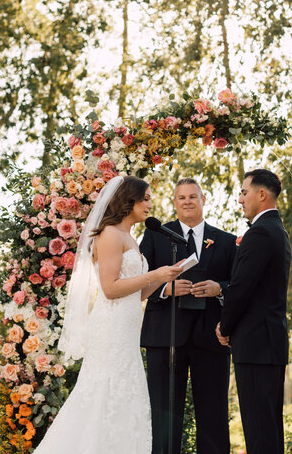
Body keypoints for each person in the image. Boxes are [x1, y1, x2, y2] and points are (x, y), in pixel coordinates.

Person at [34, 176, 184, 454]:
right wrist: (155, 273)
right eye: (146, 198)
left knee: (126, 397)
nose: (150, 204)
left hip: (126, 329)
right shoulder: (110, 234)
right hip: (110, 328)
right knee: (104, 395)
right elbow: (111, 288)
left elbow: (135, 293)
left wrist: (165, 278)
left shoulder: (130, 238)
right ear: (130, 200)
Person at [140, 178, 236, 454]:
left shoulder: (227, 242)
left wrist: (220, 289)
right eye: (181, 197)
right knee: (163, 415)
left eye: (193, 196)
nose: (188, 201)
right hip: (164, 337)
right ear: (175, 202)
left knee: (214, 415)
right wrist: (165, 289)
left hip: (212, 338)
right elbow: (138, 279)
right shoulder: (156, 235)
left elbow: (240, 286)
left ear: (203, 200)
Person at [216, 169, 290, 454]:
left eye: (244, 192)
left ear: (262, 194)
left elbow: (240, 288)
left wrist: (225, 327)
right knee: (268, 429)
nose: (240, 199)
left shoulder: (260, 232)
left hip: (256, 343)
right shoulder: (276, 230)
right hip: (267, 343)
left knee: (260, 431)